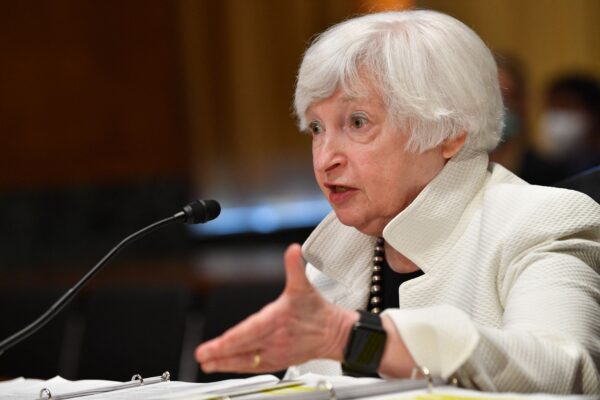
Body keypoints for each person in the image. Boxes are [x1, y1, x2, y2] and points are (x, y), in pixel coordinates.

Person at [195, 10, 600, 394]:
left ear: (449, 132)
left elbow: (564, 369)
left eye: (357, 122)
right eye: (317, 128)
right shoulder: (332, 259)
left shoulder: (540, 219)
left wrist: (354, 339)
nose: (324, 158)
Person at [520, 74, 600, 185]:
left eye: (567, 106)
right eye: (553, 107)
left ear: (593, 113)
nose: (557, 118)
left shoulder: (593, 165)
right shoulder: (539, 166)